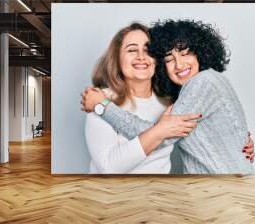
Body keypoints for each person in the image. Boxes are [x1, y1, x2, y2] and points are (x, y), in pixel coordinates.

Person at [82, 20, 255, 174]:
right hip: (118, 197)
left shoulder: (203, 82)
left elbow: (162, 136)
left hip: (219, 190)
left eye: (185, 53)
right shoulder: (174, 97)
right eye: (169, 59)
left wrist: (104, 108)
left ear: (200, 53)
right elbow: (109, 166)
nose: (179, 64)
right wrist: (238, 137)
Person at [84, 23, 200, 174]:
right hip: (111, 194)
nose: (141, 57)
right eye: (132, 50)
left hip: (157, 193)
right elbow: (108, 167)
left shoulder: (170, 101)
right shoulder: (100, 100)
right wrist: (160, 131)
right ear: (117, 59)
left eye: (148, 50)